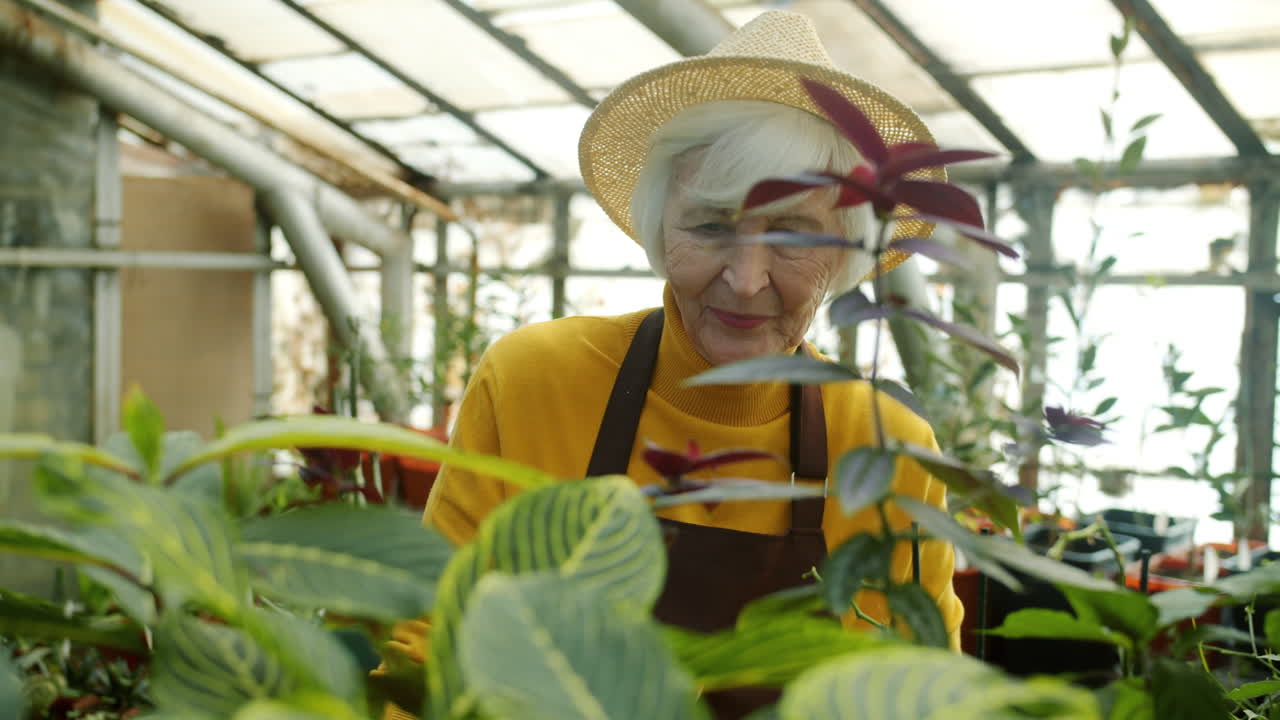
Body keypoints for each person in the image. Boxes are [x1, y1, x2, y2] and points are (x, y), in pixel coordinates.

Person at [377, 9, 962, 719]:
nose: (746, 280)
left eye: (790, 236)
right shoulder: (535, 380)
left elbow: (931, 697)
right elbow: (425, 646)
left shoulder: (888, 448)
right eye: (712, 226)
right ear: (659, 226)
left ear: (844, 252)